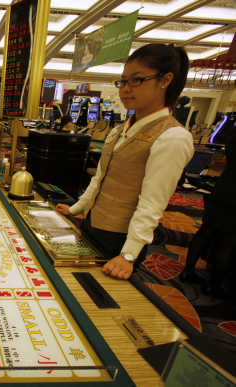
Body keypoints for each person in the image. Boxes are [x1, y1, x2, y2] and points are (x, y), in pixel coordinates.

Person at [56, 43, 194, 280]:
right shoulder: (121, 129)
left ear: (165, 80)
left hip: (121, 239)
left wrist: (128, 255)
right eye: (123, 81)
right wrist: (77, 208)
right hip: (93, 224)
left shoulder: (173, 136)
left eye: (137, 80)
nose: (126, 89)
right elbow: (100, 178)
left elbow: (152, 204)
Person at [180, 131, 235, 297]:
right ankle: (214, 285)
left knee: (205, 232)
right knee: (227, 241)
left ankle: (187, 271)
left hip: (223, 188)